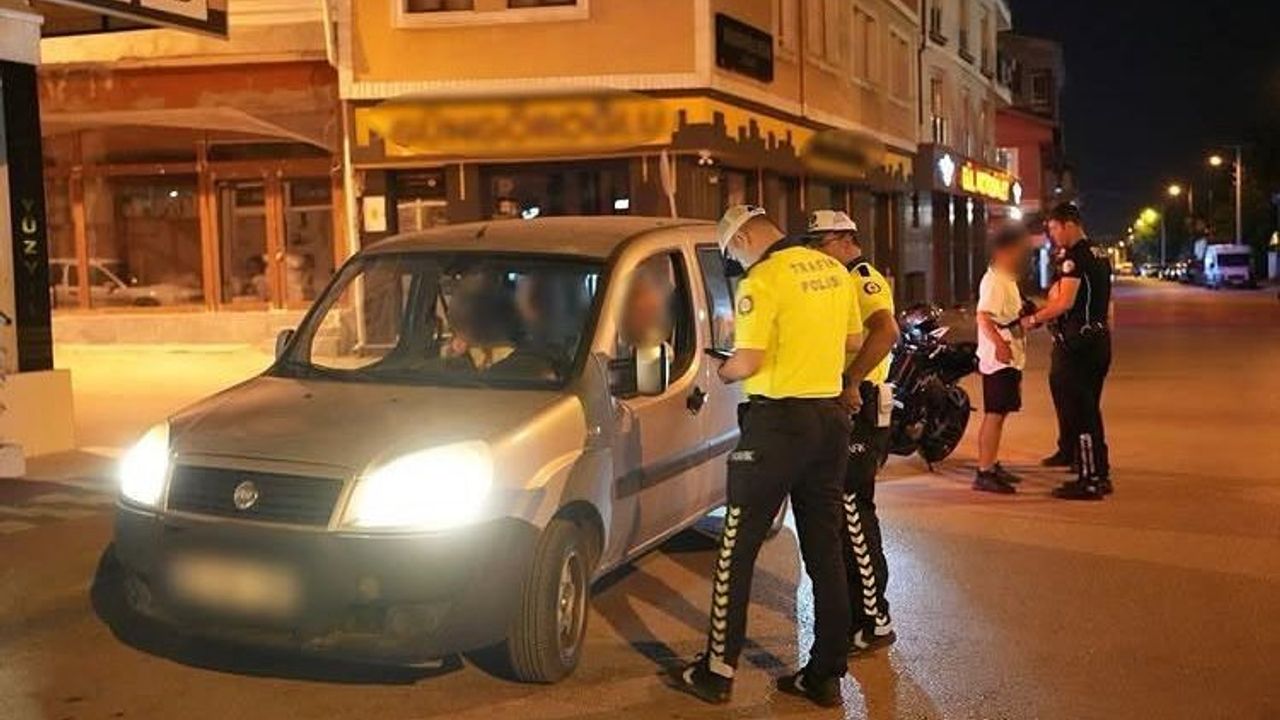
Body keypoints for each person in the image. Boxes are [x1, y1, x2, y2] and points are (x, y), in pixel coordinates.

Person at [666, 205, 858, 708]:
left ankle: (716, 671)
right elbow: (853, 340)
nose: (737, 264)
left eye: (733, 255)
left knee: (737, 545)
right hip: (829, 421)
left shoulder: (763, 280)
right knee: (825, 550)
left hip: (777, 426)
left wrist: (723, 369)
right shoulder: (833, 271)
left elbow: (749, 361)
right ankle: (825, 676)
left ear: (743, 238)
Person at [804, 209, 901, 655]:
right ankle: (858, 616)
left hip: (861, 405)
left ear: (845, 241)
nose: (814, 254)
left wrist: (851, 381)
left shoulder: (862, 278)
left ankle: (874, 621)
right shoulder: (837, 281)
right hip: (846, 405)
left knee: (853, 510)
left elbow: (886, 331)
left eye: (819, 245)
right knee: (843, 516)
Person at [1023, 203, 1114, 500]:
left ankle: (1090, 480)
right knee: (1090, 408)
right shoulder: (1100, 253)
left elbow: (1064, 302)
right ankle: (1099, 471)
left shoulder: (1075, 258)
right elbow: (1107, 302)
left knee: (1082, 412)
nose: (1052, 235)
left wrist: (1033, 320)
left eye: (1053, 228)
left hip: (1078, 345)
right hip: (1098, 340)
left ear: (1068, 224)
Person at [973, 225, 1032, 494]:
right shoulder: (995, 280)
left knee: (1002, 412)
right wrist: (999, 345)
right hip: (999, 359)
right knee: (994, 414)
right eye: (1018, 249)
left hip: (1011, 356)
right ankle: (984, 471)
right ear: (1004, 251)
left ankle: (992, 464)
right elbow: (983, 317)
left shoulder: (1007, 278)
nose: (1021, 255)